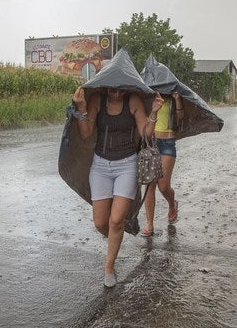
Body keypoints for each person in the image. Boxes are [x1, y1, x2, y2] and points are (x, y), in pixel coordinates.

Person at [72, 85, 164, 288]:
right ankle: (118, 234)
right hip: (100, 165)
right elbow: (86, 133)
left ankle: (109, 267)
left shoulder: (133, 101)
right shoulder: (97, 99)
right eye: (113, 89)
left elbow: (146, 134)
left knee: (115, 221)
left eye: (121, 89)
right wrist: (81, 108)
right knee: (100, 223)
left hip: (127, 165)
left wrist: (154, 112)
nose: (117, 92)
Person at [141, 90, 182, 236]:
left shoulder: (172, 98)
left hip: (167, 143)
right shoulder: (148, 96)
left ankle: (172, 204)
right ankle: (150, 224)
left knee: (163, 186)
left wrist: (177, 99)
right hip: (151, 143)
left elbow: (180, 119)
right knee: (149, 186)